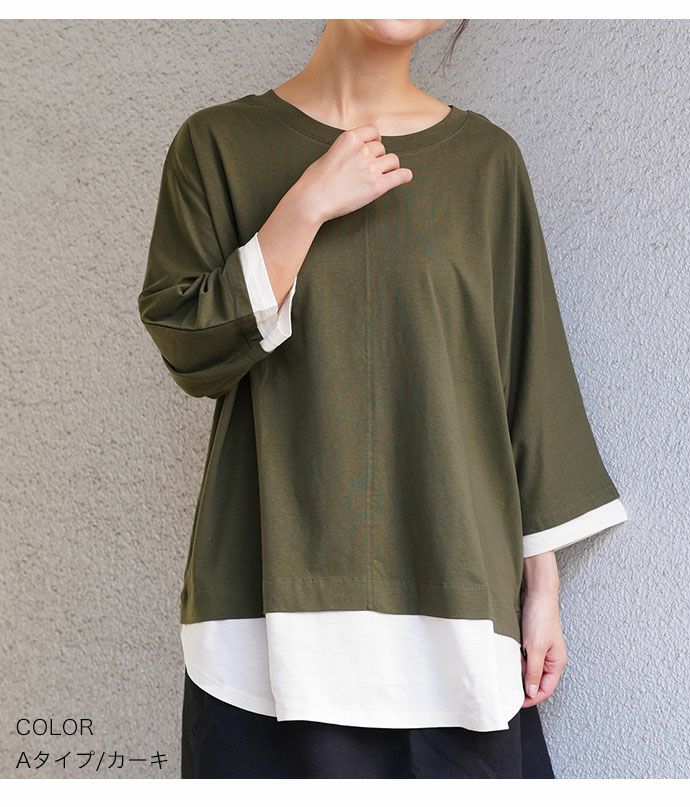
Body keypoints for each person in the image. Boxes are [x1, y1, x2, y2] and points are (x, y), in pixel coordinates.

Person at [137, 19, 628, 778]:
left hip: (457, 611)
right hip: (266, 623)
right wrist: (302, 209)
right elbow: (187, 345)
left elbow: (525, 375)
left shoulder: (486, 162)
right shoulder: (216, 146)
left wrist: (543, 586)